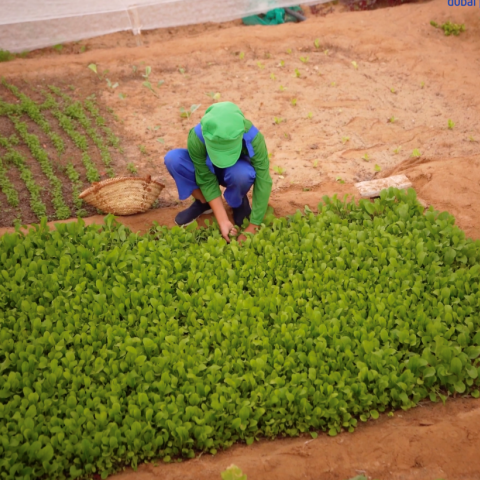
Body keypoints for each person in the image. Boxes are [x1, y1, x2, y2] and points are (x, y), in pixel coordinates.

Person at [164, 102, 273, 242]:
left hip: (234, 172)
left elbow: (263, 180)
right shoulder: (197, 136)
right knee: (173, 159)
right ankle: (204, 202)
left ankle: (238, 201)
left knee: (242, 174)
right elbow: (205, 177)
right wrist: (223, 221)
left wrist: (253, 225)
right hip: (208, 169)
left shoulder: (254, 138)